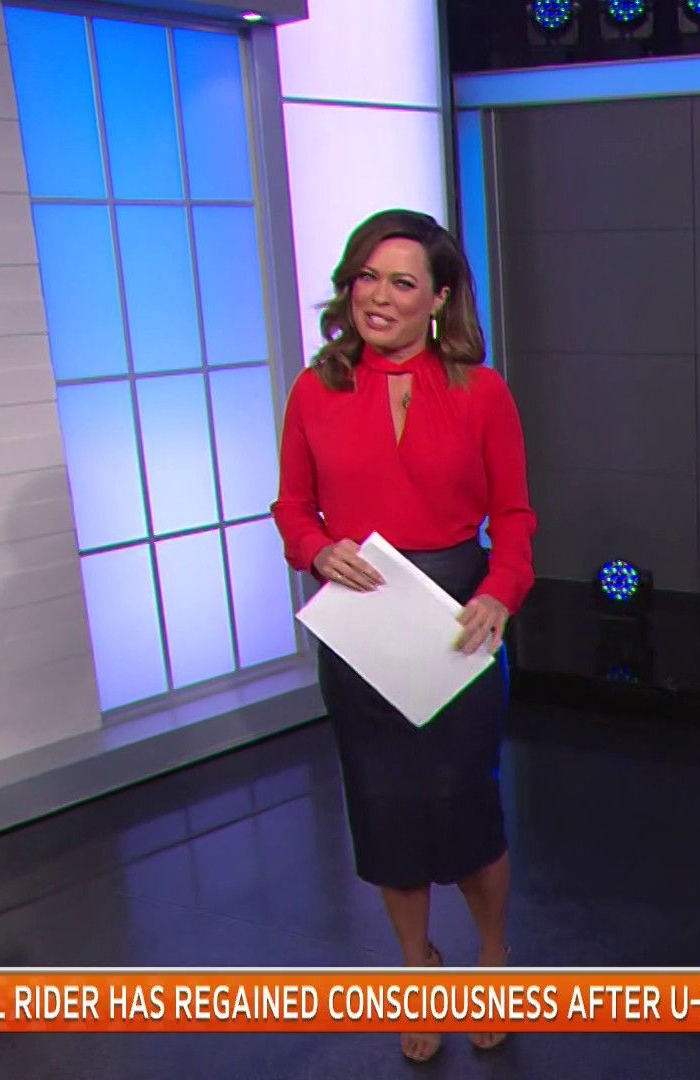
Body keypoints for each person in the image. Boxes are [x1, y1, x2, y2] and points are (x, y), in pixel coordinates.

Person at [270, 209, 535, 1062]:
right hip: (361, 620)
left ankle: (491, 955)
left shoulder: (481, 392)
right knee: (384, 810)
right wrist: (316, 549)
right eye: (366, 277)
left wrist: (500, 591)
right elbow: (292, 507)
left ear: (440, 297)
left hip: (458, 614)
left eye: (401, 282)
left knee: (463, 803)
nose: (377, 297)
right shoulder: (315, 390)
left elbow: (514, 515)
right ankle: (418, 966)